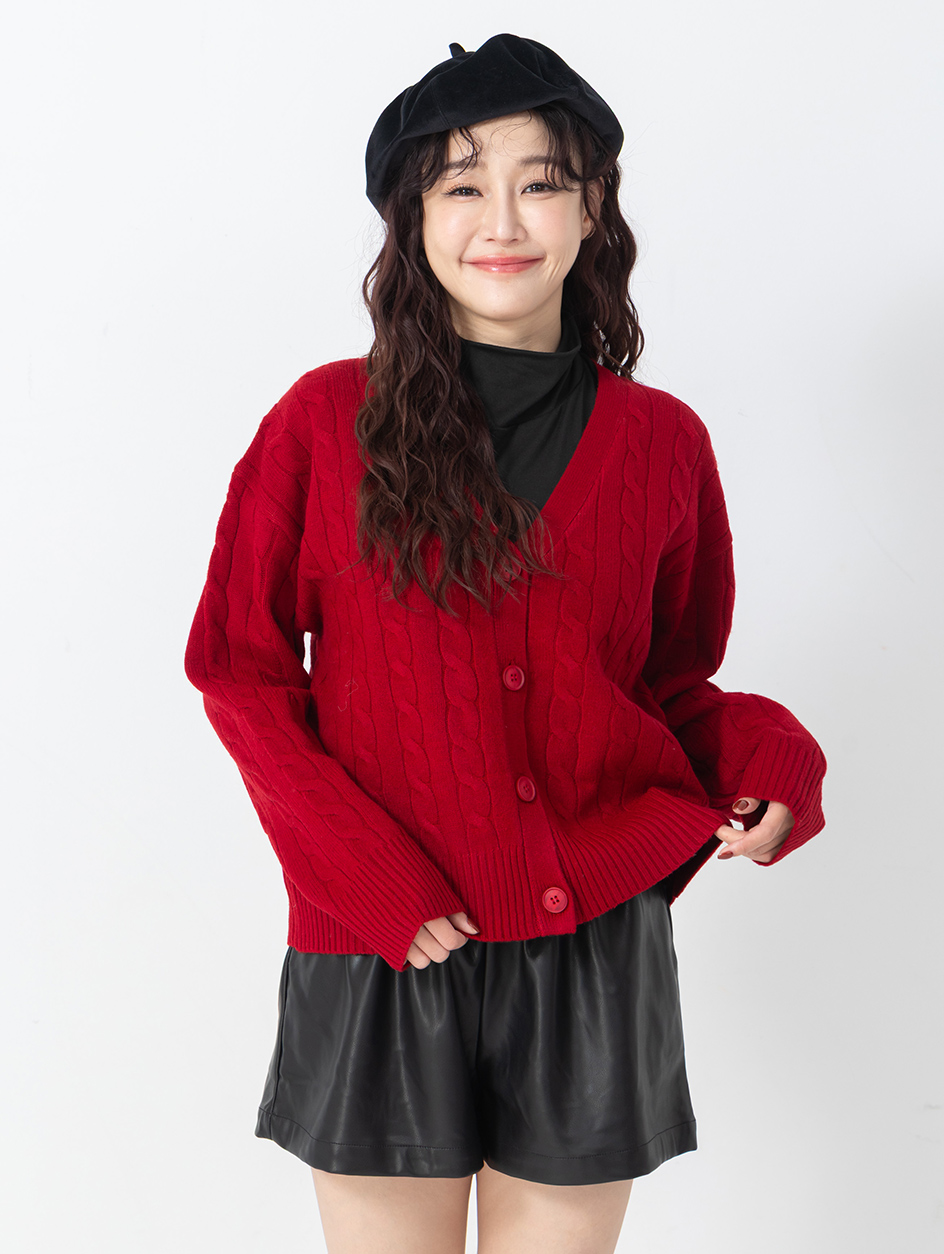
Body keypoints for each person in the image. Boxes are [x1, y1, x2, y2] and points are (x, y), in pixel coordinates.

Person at [184, 32, 827, 1254]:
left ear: (592, 211)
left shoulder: (662, 444)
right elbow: (239, 672)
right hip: (383, 946)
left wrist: (774, 758)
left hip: (592, 950)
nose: (502, 221)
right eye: (461, 186)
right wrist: (366, 875)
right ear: (410, 221)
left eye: (541, 182)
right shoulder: (322, 424)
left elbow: (664, 685)